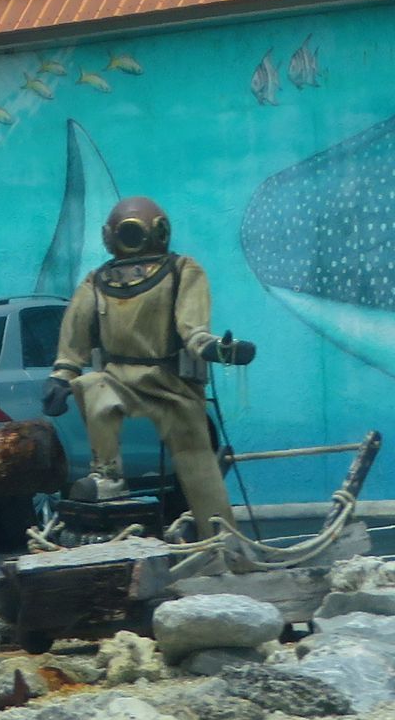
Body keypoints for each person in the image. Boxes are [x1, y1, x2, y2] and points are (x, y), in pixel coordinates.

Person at [42, 197, 256, 536]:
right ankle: (107, 474)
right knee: (93, 387)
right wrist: (63, 375)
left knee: (196, 461)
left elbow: (192, 330)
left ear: (160, 231)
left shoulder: (182, 271)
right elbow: (75, 339)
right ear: (109, 236)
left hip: (171, 383)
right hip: (118, 377)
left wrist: (218, 349)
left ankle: (222, 542)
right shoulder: (96, 283)